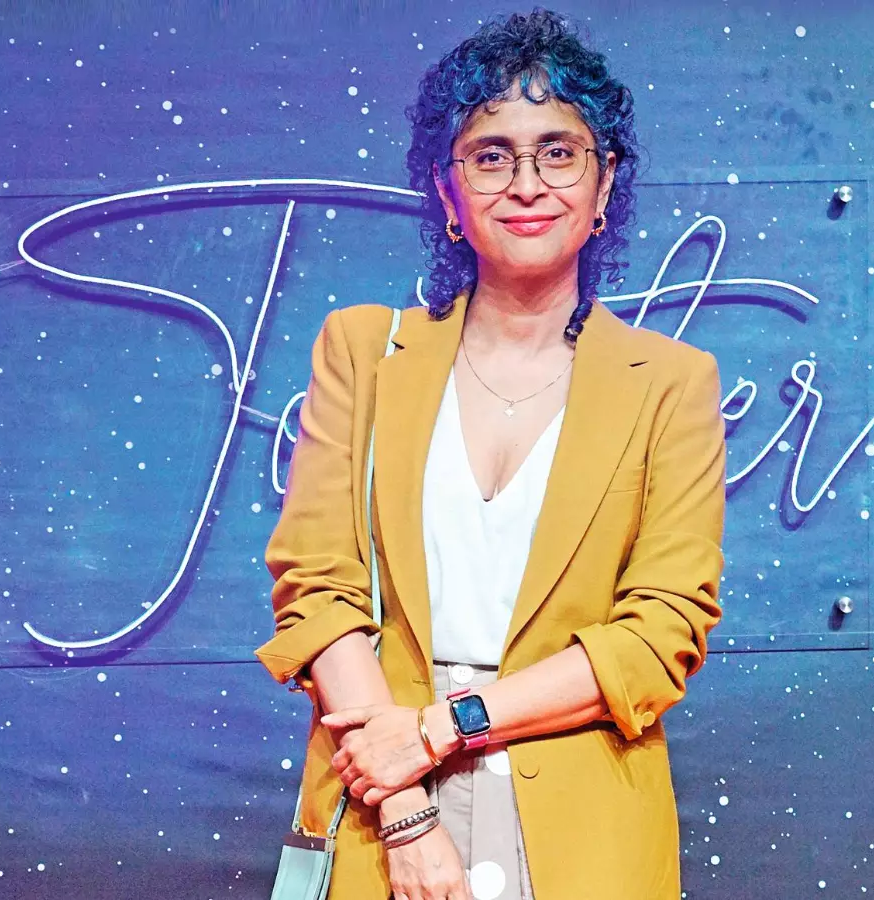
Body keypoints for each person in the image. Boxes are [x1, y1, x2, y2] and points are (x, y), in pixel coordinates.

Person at [255, 9, 726, 900]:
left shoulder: (671, 382)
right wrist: (405, 808)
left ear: (604, 181)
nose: (527, 184)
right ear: (448, 190)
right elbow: (320, 590)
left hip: (585, 824)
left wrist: (441, 729)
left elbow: (657, 635)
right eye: (492, 155)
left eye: (559, 152)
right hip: (380, 809)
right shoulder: (363, 352)